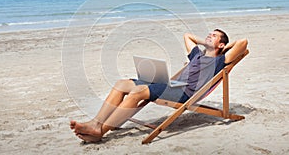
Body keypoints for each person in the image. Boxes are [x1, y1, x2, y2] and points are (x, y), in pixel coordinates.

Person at [70, 29, 248, 143]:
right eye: (210, 34)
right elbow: (187, 35)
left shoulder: (219, 60)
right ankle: (95, 123)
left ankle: (100, 131)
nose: (209, 35)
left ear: (222, 44)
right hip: (171, 85)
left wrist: (222, 48)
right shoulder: (197, 55)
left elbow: (243, 42)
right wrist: (207, 42)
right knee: (121, 84)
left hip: (184, 93)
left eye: (214, 36)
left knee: (138, 92)